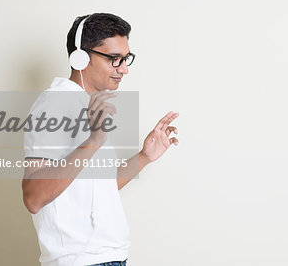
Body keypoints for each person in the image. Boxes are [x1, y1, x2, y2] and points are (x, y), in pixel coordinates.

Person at [22, 13, 179, 266]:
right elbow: (33, 198)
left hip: (109, 258)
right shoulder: (52, 106)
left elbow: (94, 187)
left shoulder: (87, 105)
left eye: (125, 59)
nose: (124, 69)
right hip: (81, 262)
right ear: (81, 57)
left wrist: (144, 157)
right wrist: (92, 142)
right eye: (114, 59)